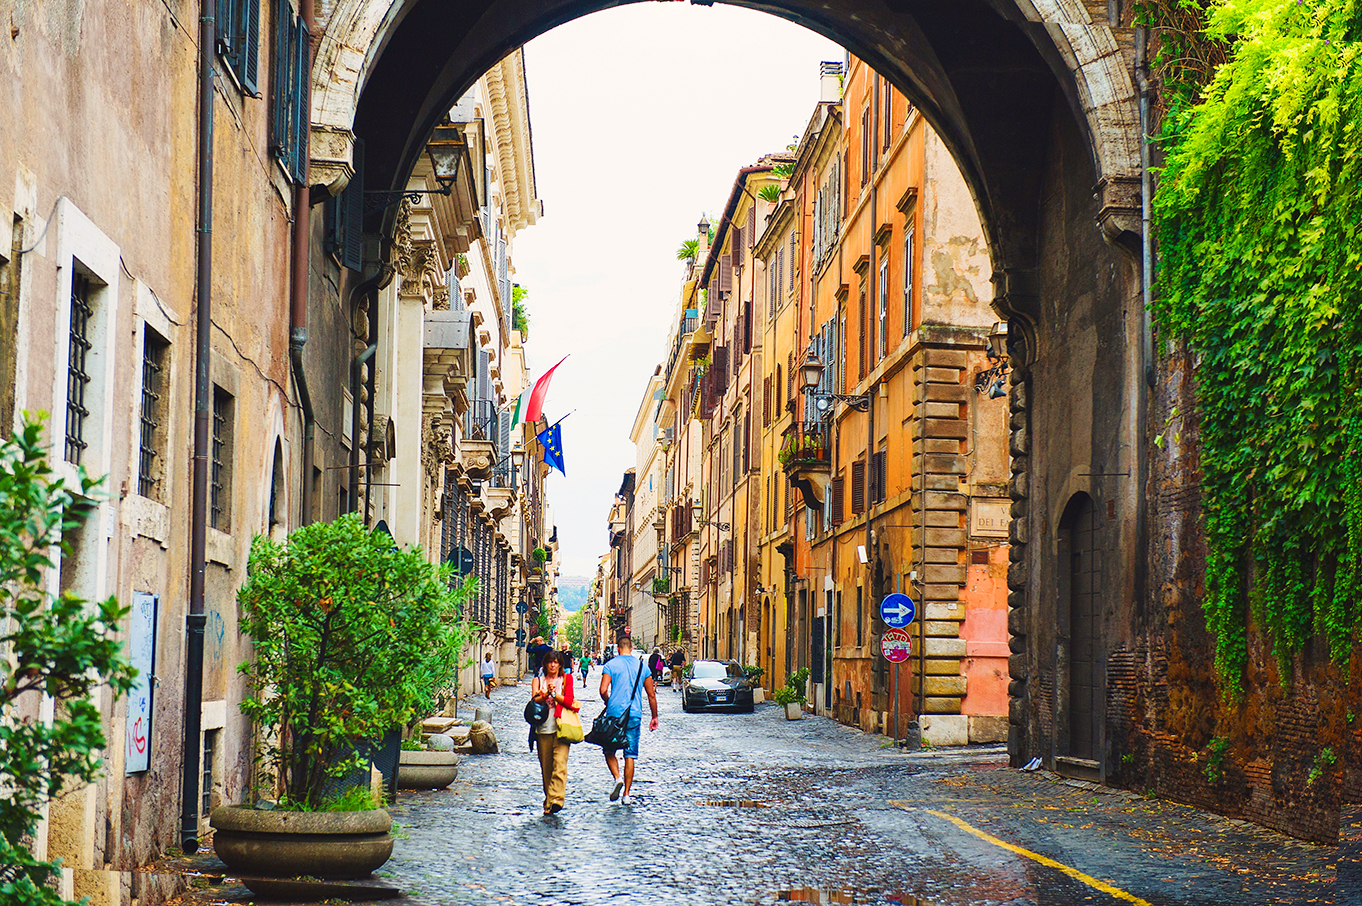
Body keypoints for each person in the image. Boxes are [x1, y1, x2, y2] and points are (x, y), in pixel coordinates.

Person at [599, 628, 658, 805]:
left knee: (609, 750)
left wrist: (609, 701)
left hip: (615, 713)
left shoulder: (610, 665)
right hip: (634, 714)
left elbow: (602, 690)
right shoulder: (642, 666)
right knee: (630, 754)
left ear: (618, 649)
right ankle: (626, 795)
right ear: (631, 648)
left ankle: (617, 777)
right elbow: (651, 694)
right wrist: (654, 716)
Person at [531, 651, 578, 815]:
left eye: (556, 662)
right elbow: (534, 699)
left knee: (560, 764)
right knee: (547, 768)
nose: (552, 665)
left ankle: (557, 799)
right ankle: (548, 801)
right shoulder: (538, 681)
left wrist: (555, 695)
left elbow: (570, 701)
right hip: (543, 730)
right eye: (550, 662)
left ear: (560, 665)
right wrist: (544, 694)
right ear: (545, 664)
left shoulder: (567, 680)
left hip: (561, 728)